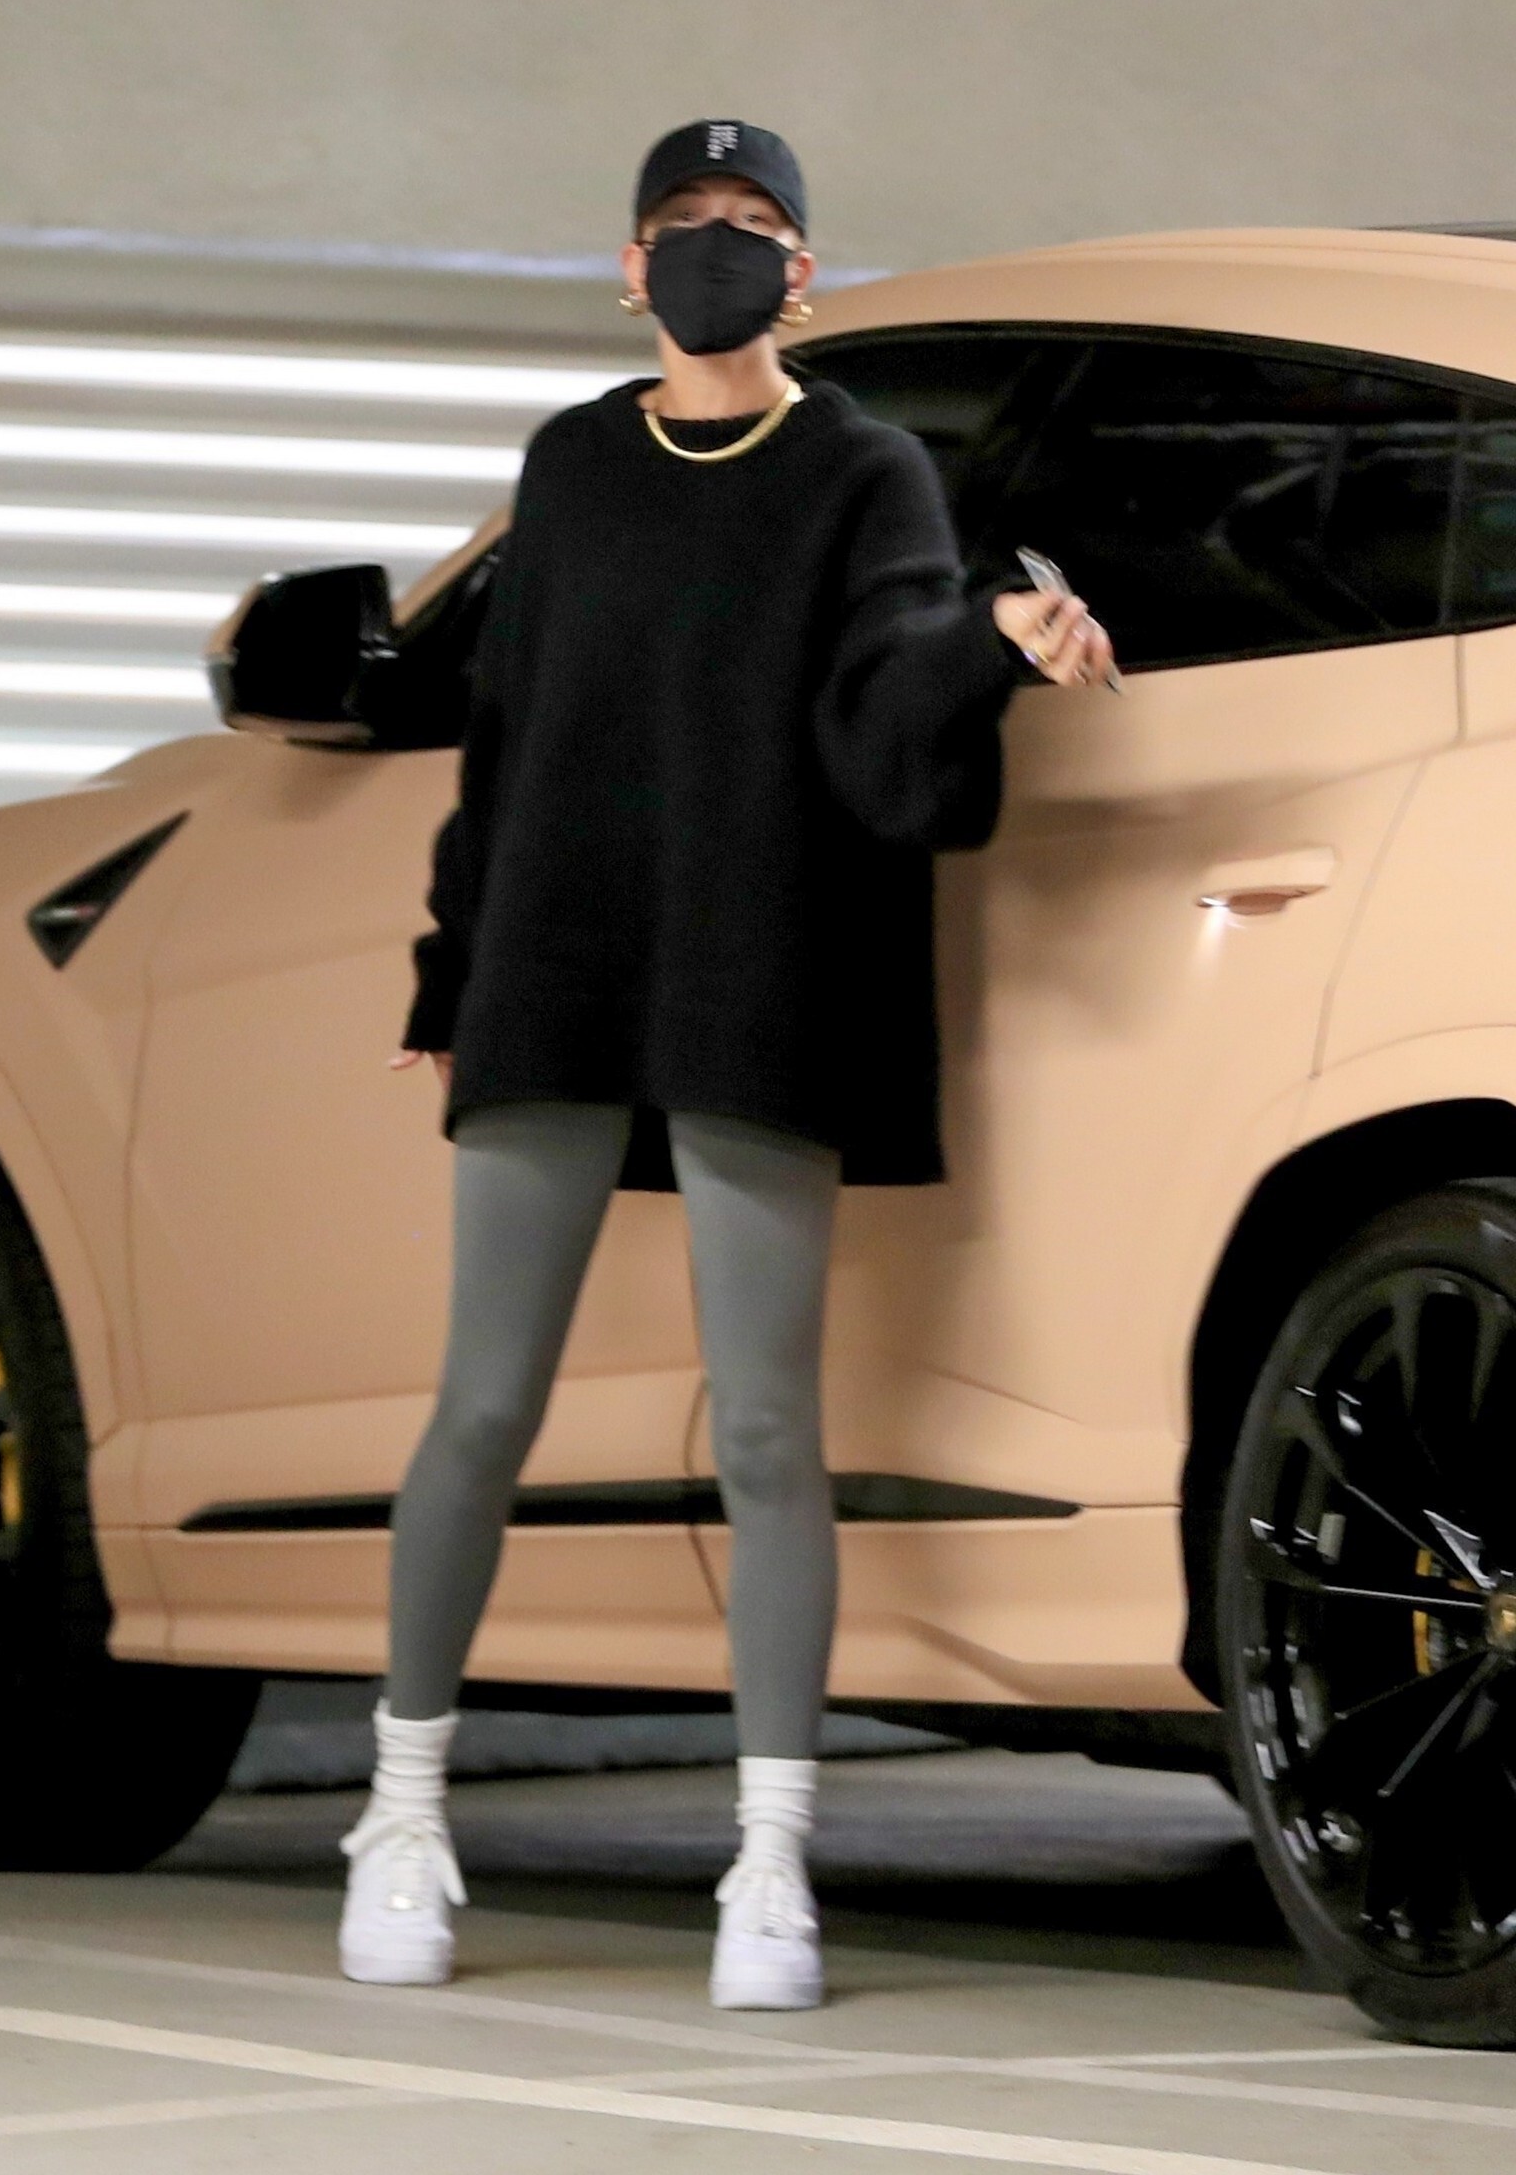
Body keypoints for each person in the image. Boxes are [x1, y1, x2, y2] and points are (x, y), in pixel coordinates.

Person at [338, 120, 1114, 2009]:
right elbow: (504, 737)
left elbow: (882, 704)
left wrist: (999, 643)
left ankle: (771, 1863)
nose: (716, 249)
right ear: (630, 271)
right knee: (480, 1407)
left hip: (759, 967)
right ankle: (400, 1814)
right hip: (556, 962)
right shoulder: (572, 464)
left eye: (752, 225)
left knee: (766, 1427)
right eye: (683, 226)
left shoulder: (862, 467)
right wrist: (454, 967)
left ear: (803, 272)